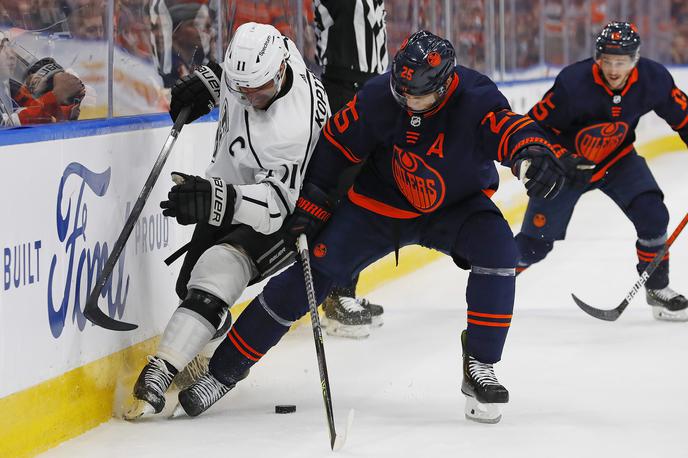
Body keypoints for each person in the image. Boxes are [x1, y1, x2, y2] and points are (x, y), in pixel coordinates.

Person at [174, 30, 567, 424]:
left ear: (446, 85)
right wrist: (313, 203)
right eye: (403, 91)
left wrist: (532, 154)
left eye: (420, 96)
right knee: (310, 276)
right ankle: (221, 373)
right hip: (378, 208)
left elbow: (510, 130)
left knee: (499, 250)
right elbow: (335, 145)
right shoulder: (381, 95)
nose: (409, 101)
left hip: (455, 208)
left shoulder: (476, 98)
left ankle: (480, 363)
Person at [125, 22, 330, 419]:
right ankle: (205, 329)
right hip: (235, 178)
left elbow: (274, 208)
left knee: (220, 269)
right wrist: (214, 80)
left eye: (260, 89)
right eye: (242, 88)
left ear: (283, 71)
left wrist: (215, 201)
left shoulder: (292, 127)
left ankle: (162, 368)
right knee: (192, 285)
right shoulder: (270, 51)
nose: (250, 97)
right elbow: (244, 65)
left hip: (293, 211)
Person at [515, 21, 688, 321]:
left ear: (635, 60)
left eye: (620, 62)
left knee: (653, 214)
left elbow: (684, 117)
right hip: (565, 169)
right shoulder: (573, 84)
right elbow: (531, 128)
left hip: (617, 161)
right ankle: (491, 282)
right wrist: (557, 157)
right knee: (533, 247)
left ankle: (658, 290)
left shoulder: (653, 79)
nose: (613, 69)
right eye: (607, 60)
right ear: (597, 58)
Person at [313, 0, 389, 338]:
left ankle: (344, 289)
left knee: (364, 192)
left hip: (369, 86)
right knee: (345, 194)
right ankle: (335, 294)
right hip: (345, 88)